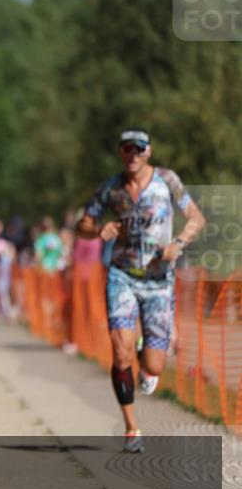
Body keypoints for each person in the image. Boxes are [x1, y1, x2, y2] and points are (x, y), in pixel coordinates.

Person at [76, 128, 205, 453]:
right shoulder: (111, 188)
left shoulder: (167, 181)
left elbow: (196, 218)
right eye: (127, 149)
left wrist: (178, 244)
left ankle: (148, 346)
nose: (132, 155)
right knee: (120, 351)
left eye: (139, 149)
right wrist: (98, 229)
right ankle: (132, 427)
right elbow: (83, 225)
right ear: (121, 153)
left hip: (159, 280)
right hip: (122, 275)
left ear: (148, 152)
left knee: (154, 367)